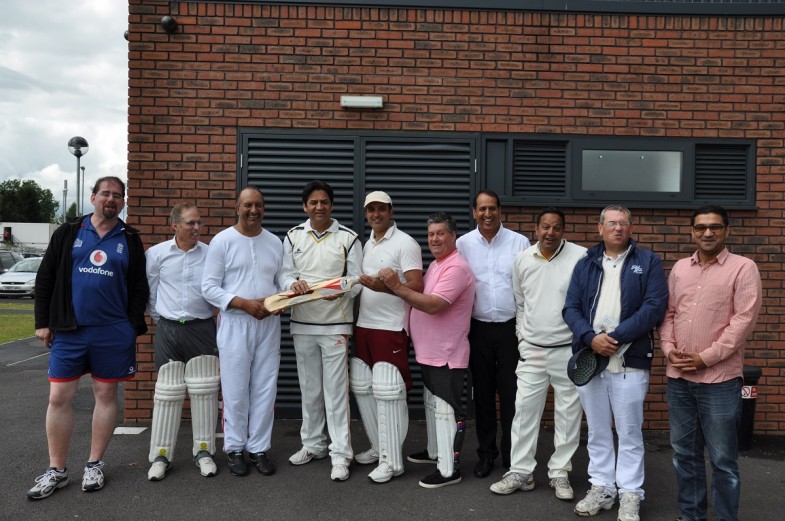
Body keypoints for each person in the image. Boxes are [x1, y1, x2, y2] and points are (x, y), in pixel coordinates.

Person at [29, 176, 149, 500]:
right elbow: (46, 278)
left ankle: (94, 464)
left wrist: (131, 326)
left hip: (112, 332)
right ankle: (57, 470)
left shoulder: (131, 239)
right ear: (93, 196)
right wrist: (43, 322)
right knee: (58, 398)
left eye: (117, 195)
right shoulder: (69, 232)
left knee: (106, 396)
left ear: (123, 202)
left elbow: (139, 288)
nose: (111, 199)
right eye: (105, 193)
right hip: (70, 330)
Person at [563, 205, 668, 521]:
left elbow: (654, 308)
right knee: (597, 430)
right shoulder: (586, 264)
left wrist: (617, 337)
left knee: (629, 431)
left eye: (623, 223)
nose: (618, 228)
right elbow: (570, 308)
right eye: (612, 223)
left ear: (631, 227)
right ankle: (602, 487)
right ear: (600, 228)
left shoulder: (648, 262)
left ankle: (631, 493)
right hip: (591, 359)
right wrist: (590, 338)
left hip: (630, 361)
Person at [659, 205, 762, 521]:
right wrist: (668, 347)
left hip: (719, 381)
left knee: (722, 460)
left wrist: (706, 358)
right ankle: (691, 515)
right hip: (679, 379)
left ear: (726, 230)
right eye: (701, 227)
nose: (707, 233)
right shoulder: (679, 269)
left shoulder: (743, 268)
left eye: (715, 227)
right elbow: (669, 313)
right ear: (692, 231)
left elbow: (743, 322)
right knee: (685, 455)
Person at [490, 207, 587, 500]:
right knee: (523, 413)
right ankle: (521, 472)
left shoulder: (580, 257)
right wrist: (522, 338)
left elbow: (586, 302)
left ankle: (559, 473)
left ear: (563, 230)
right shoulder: (522, 259)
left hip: (566, 350)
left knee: (568, 414)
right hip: (532, 349)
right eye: (545, 227)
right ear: (537, 228)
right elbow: (520, 304)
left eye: (556, 228)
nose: (550, 233)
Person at [381, 212, 475, 489]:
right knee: (433, 406)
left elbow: (434, 305)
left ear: (453, 235)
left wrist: (396, 286)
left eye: (440, 233)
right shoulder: (436, 265)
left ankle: (449, 469)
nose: (434, 238)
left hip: (447, 354)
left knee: (447, 410)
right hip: (429, 352)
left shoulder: (456, 267)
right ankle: (435, 452)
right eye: (431, 234)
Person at [279, 180, 363, 482]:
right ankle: (313, 444)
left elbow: (357, 280)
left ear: (331, 204)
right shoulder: (292, 236)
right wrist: (292, 285)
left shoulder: (349, 238)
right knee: (310, 389)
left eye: (324, 202)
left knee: (336, 392)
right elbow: (284, 274)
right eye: (313, 202)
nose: (319, 207)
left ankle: (341, 454)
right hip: (302, 324)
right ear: (305, 206)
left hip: (335, 325)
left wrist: (340, 291)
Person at [201, 187, 283, 477]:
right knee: (235, 389)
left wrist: (288, 290)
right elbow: (209, 287)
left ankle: (259, 448)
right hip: (235, 323)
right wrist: (243, 304)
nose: (253, 210)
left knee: (264, 387)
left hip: (268, 323)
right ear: (237, 207)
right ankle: (235, 448)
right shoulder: (222, 241)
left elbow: (282, 275)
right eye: (248, 205)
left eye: (258, 205)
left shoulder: (274, 241)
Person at [351, 191, 423, 483]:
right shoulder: (366, 243)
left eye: (381, 209)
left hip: (391, 327)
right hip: (364, 326)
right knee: (364, 388)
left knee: (389, 392)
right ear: (366, 213)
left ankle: (393, 462)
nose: (376, 214)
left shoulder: (405, 242)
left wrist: (384, 288)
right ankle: (379, 448)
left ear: (390, 210)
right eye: (371, 210)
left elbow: (417, 285)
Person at [456, 190, 529, 478]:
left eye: (493, 209)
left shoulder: (519, 242)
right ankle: (486, 454)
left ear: (500, 211)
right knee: (483, 395)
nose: (488, 214)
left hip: (511, 329)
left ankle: (512, 455)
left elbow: (526, 286)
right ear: (474, 212)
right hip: (478, 329)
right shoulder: (463, 244)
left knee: (512, 394)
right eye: (482, 209)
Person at [145, 203, 220, 481]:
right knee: (168, 392)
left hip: (201, 328)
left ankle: (204, 452)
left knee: (205, 390)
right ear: (174, 225)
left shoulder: (211, 253)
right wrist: (160, 318)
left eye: (199, 223)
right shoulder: (156, 254)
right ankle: (161, 457)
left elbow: (218, 288)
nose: (197, 228)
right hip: (168, 328)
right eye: (190, 223)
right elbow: (151, 291)